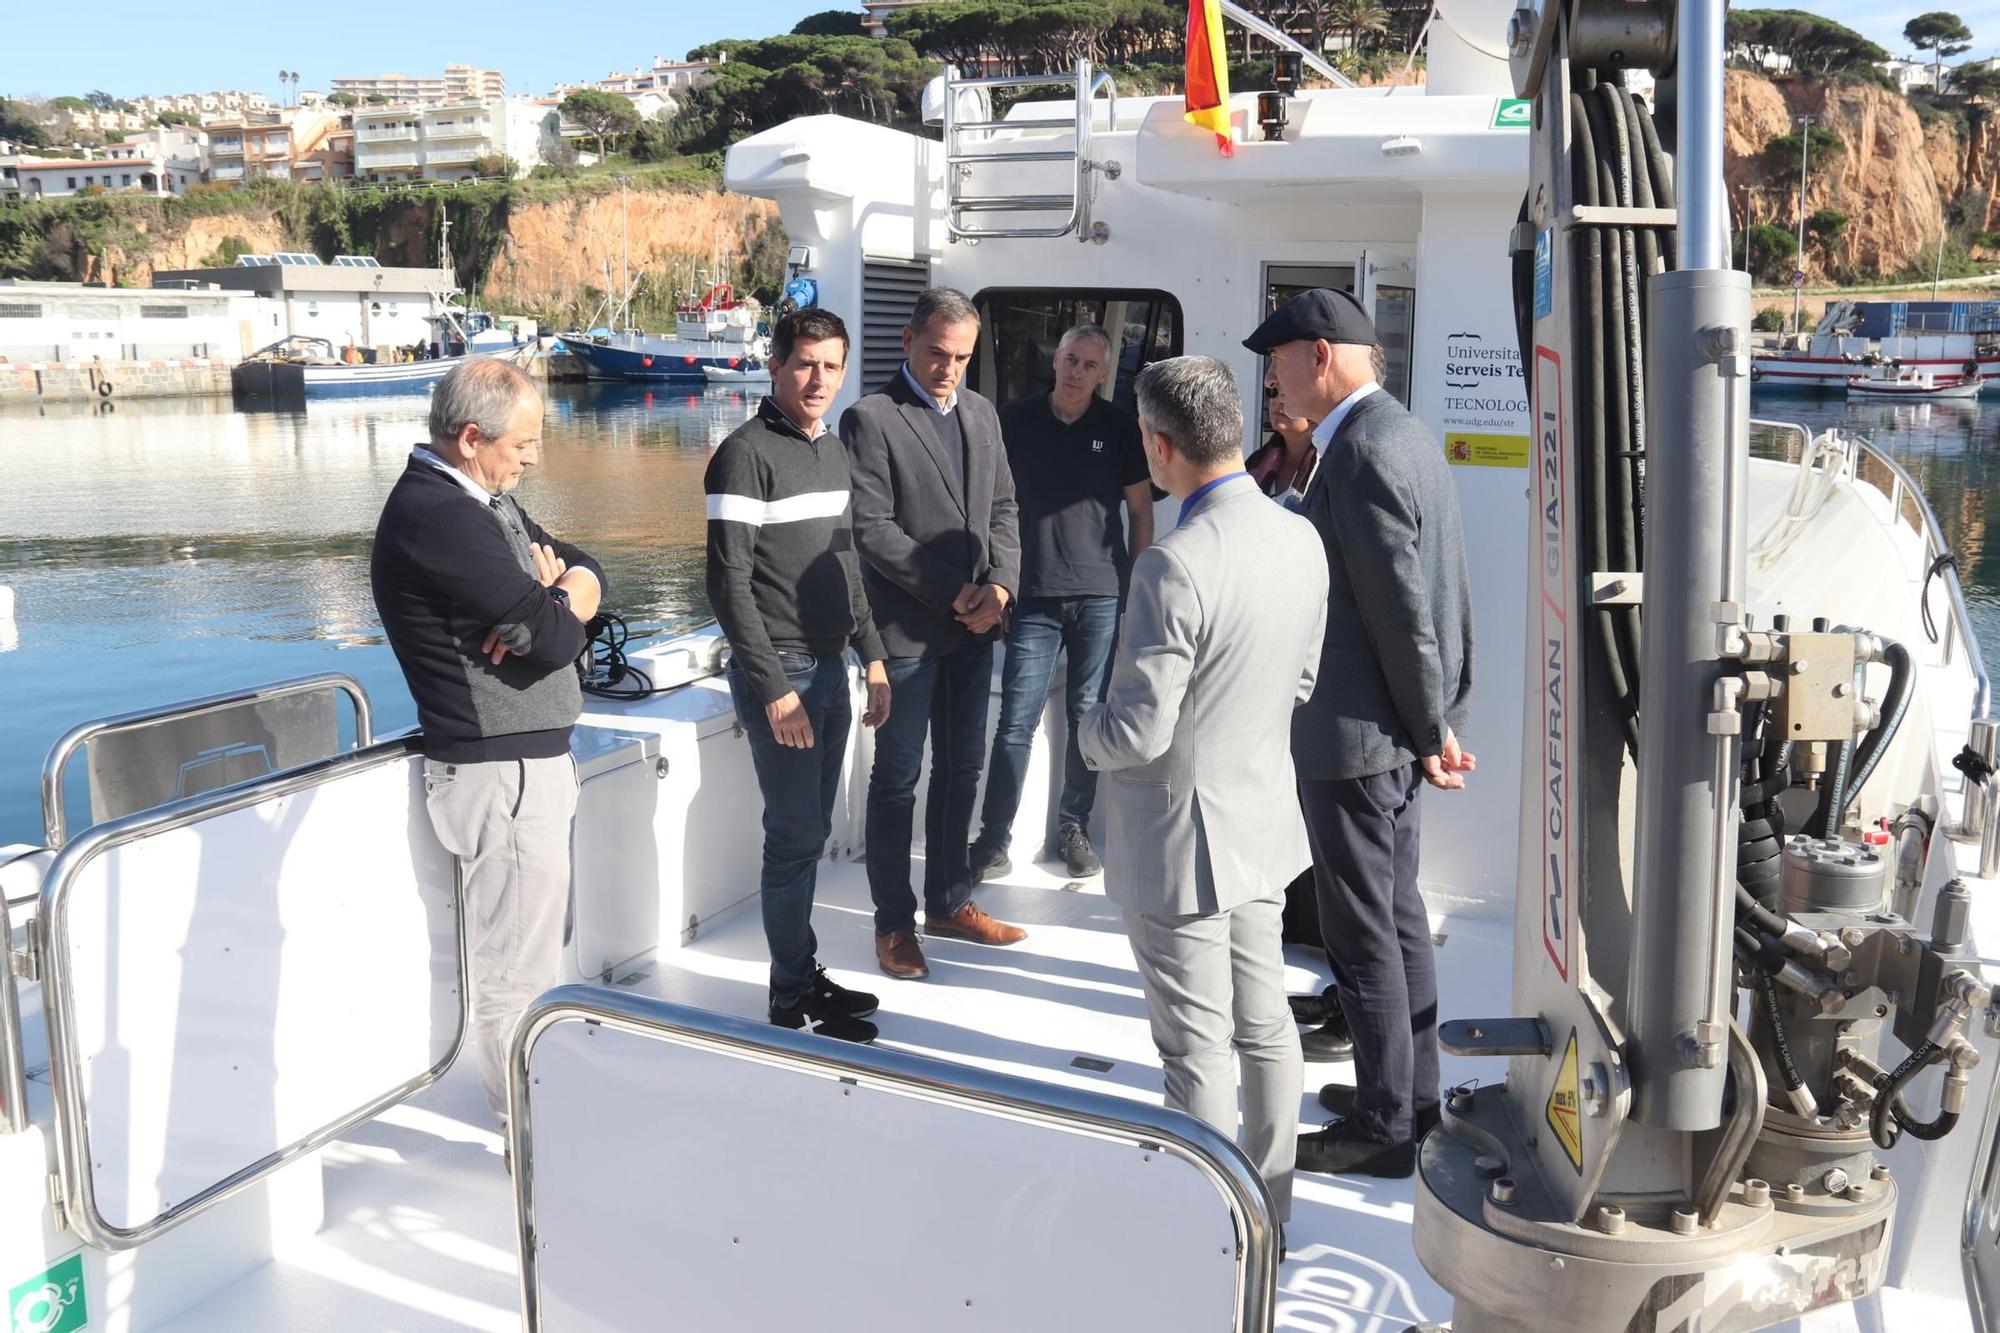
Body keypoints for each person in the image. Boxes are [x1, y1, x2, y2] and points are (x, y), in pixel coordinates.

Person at [1077, 354, 1328, 1221]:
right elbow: (1299, 684)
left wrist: (1082, 728)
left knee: (1195, 1053)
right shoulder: (1301, 534)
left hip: (1178, 844)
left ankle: (1211, 1233)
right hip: (1261, 828)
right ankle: (1271, 1213)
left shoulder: (1173, 565)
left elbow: (1137, 732)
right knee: (1266, 1030)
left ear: (1158, 442)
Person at [1248, 288, 1476, 1178]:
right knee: (1399, 915)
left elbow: (1401, 612)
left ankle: (1386, 1124)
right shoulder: (1402, 433)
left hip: (1359, 737)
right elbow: (1442, 596)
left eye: (1277, 360)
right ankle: (1412, 1097)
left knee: (1364, 931)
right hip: (1397, 730)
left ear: (1319, 355)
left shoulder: (1359, 453)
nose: (1271, 378)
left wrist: (1427, 730)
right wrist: (1439, 719)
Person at [369, 357, 605, 1131]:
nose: (534, 455)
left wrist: (557, 594)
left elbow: (590, 572)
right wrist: (551, 611)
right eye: (524, 441)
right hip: (498, 777)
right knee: (514, 970)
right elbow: (547, 639)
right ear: (472, 438)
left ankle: (542, 1109)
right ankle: (528, 1135)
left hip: (526, 770)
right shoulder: (439, 516)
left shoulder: (484, 500)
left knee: (536, 953)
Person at [705, 307, 891, 1043]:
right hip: (779, 671)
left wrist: (871, 652)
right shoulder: (744, 454)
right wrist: (775, 690)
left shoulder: (833, 451)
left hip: (832, 666)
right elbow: (728, 584)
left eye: (832, 366)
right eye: (806, 363)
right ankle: (789, 1000)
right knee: (793, 835)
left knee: (810, 833)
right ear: (776, 364)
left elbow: (847, 564)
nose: (819, 379)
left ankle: (801, 973)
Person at [842, 287, 1029, 981]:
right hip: (911, 634)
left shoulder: (982, 413)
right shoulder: (870, 418)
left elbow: (1006, 506)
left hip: (978, 630)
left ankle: (950, 901)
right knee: (898, 779)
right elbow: (872, 529)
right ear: (907, 342)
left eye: (962, 357)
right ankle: (893, 922)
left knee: (962, 769)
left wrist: (1002, 588)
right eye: (937, 353)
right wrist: (957, 591)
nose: (950, 368)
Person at [968, 323, 1154, 883]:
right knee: (1014, 723)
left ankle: (1073, 827)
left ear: (1103, 374)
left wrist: (1135, 594)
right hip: (1031, 595)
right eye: (1070, 360)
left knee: (1085, 719)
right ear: (1056, 361)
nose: (1077, 372)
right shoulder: (1015, 421)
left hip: (1101, 595)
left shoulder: (1120, 429)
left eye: (1089, 365)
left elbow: (1141, 514)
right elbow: (988, 508)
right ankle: (994, 839)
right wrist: (995, 583)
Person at [1246, 387, 1317, 508]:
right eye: (1274, 392)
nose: (1277, 400)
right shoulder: (1256, 462)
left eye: (1289, 393)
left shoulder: (1326, 464)